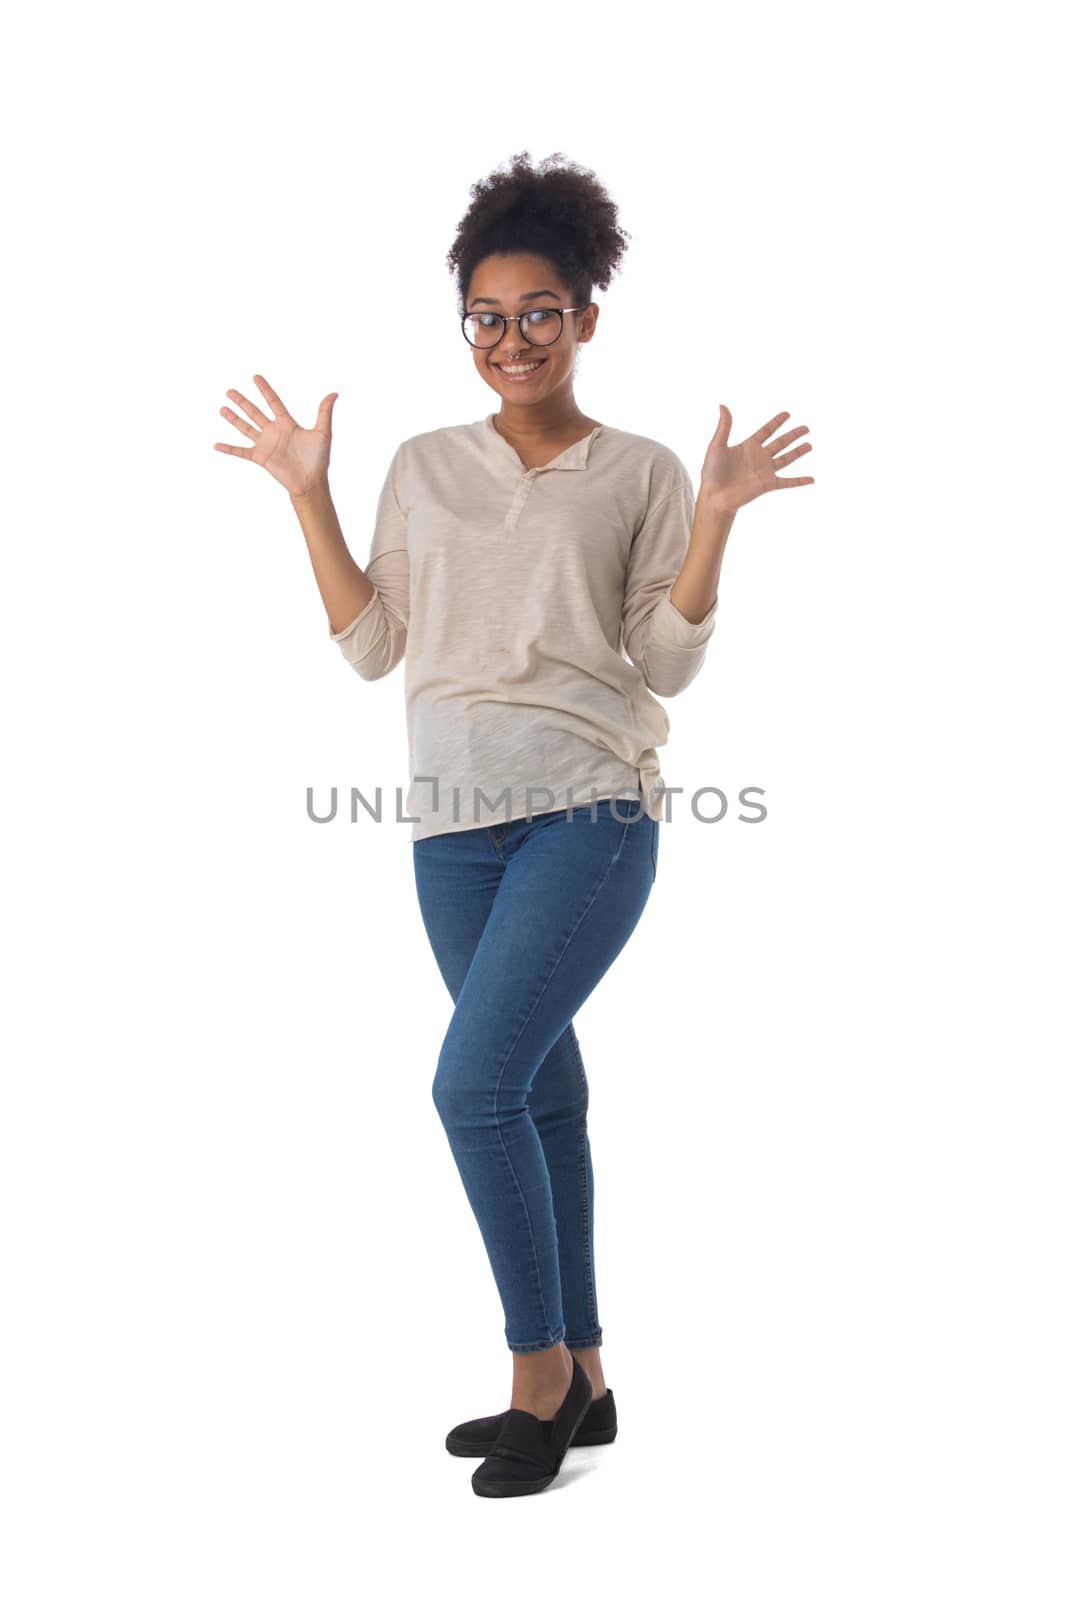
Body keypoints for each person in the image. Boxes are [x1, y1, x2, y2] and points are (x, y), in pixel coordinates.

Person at [214, 149, 814, 1497]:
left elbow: (662, 662)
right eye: (486, 317)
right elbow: (374, 649)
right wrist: (306, 492)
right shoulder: (424, 466)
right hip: (447, 826)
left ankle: (531, 1375)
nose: (512, 339)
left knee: (469, 1086)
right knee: (536, 1090)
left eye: (539, 311)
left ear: (586, 316)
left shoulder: (643, 470)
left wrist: (715, 519)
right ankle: (590, 1377)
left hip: (588, 812)